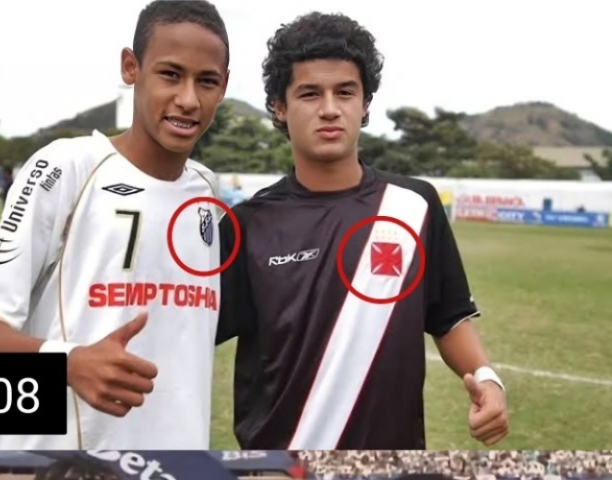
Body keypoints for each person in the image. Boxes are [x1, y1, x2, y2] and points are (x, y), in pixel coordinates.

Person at [216, 12, 509, 449]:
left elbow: (448, 317)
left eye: (345, 92)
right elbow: (187, 333)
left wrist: (486, 378)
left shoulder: (415, 206)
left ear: (366, 102)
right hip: (281, 467)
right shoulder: (248, 224)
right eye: (310, 93)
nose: (330, 109)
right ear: (279, 106)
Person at [0, 0, 230, 450]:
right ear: (131, 67)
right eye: (170, 74)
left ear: (224, 86)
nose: (188, 99)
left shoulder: (207, 191)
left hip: (176, 466)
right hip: (55, 466)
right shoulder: (66, 167)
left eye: (207, 81)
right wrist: (68, 362)